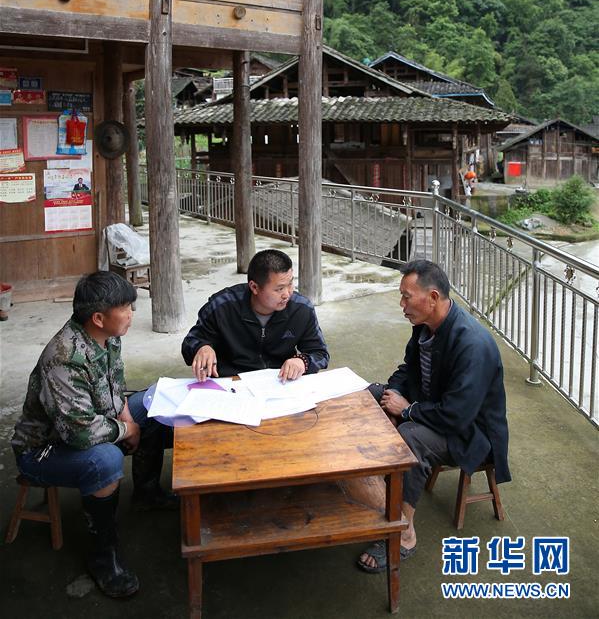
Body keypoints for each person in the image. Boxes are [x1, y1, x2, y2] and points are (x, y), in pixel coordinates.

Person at [11, 271, 174, 599]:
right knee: (105, 459)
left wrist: (129, 417)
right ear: (98, 317)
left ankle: (146, 493)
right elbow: (80, 433)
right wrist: (127, 430)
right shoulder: (63, 358)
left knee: (155, 402)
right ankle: (104, 555)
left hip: (91, 421)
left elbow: (115, 381)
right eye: (126, 308)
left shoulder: (107, 335)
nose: (131, 314)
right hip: (43, 449)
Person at [357, 259, 510, 573]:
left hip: (470, 433)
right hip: (435, 407)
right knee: (370, 395)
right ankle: (376, 478)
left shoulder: (472, 345)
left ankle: (406, 532)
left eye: (406, 297)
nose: (401, 304)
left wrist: (408, 411)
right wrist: (390, 397)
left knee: (412, 437)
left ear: (434, 298)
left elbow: (456, 416)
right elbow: (407, 370)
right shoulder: (425, 326)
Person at [182, 248, 329, 381]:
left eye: (290, 284)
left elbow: (320, 353)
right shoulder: (222, 306)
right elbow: (191, 342)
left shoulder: (301, 309)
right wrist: (202, 347)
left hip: (279, 381)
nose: (287, 294)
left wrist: (302, 361)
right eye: (279, 289)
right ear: (254, 287)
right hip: (231, 382)